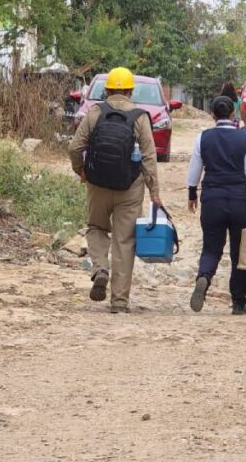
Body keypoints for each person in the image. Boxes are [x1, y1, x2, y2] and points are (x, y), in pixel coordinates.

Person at [69, 67, 162, 314]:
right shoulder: (140, 117)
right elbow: (149, 158)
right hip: (129, 188)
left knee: (97, 228)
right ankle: (119, 302)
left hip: (97, 184)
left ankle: (100, 268)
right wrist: (154, 192)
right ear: (131, 90)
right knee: (124, 241)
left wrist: (82, 172)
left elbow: (75, 148)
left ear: (107, 89)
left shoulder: (94, 112)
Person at [187, 95, 246, 315]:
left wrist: (192, 194)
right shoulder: (245, 138)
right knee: (240, 253)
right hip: (240, 200)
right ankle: (239, 303)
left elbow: (195, 170)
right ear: (233, 114)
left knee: (211, 247)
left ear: (212, 114)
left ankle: (204, 277)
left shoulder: (203, 138)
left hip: (212, 199)